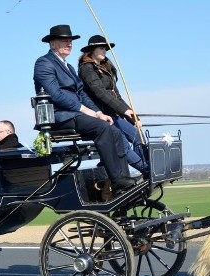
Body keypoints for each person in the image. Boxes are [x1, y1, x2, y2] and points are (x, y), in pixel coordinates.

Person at [33, 24, 136, 196]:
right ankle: (117, 181)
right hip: (60, 116)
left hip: (77, 114)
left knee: (114, 130)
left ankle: (124, 178)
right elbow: (56, 95)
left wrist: (98, 113)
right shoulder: (44, 63)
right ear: (52, 44)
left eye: (70, 40)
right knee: (102, 128)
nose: (69, 43)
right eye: (63, 40)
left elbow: (81, 94)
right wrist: (85, 111)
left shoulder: (69, 67)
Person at [78, 35, 149, 176]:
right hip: (101, 115)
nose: (105, 51)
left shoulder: (106, 67)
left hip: (114, 113)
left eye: (105, 48)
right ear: (92, 50)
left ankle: (148, 165)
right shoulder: (87, 69)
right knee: (123, 145)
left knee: (137, 134)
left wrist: (132, 117)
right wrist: (122, 110)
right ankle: (146, 171)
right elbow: (100, 93)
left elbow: (116, 95)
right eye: (101, 48)